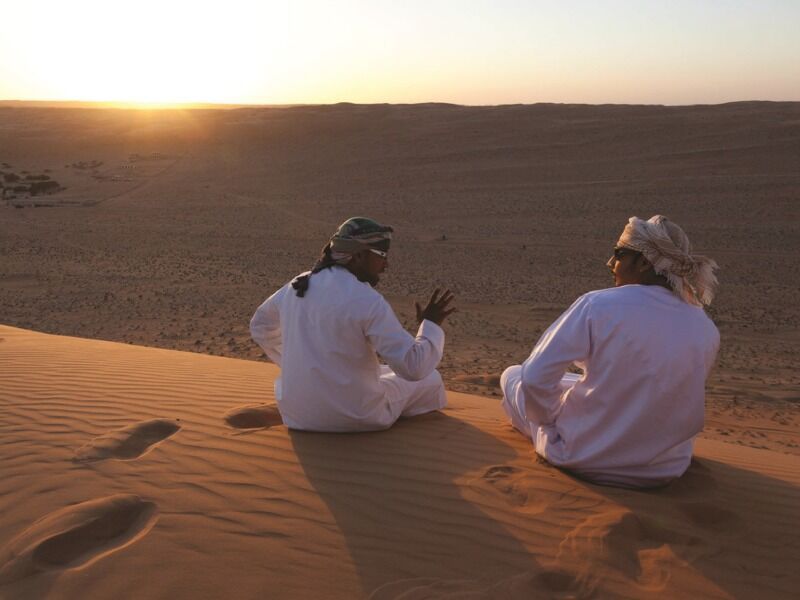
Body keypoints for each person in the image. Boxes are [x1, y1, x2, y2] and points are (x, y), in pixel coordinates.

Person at [500, 215, 720, 488]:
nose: (610, 263)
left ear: (642, 262)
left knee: (513, 375)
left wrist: (548, 422)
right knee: (576, 383)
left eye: (619, 254)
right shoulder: (704, 325)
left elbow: (535, 378)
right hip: (664, 468)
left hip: (583, 457)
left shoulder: (598, 305)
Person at [250, 217, 455, 432]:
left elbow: (260, 327)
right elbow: (414, 367)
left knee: (382, 372)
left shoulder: (298, 285)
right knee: (431, 378)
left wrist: (301, 363)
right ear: (358, 256)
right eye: (382, 255)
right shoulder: (366, 299)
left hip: (297, 416)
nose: (386, 265)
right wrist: (430, 324)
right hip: (357, 416)